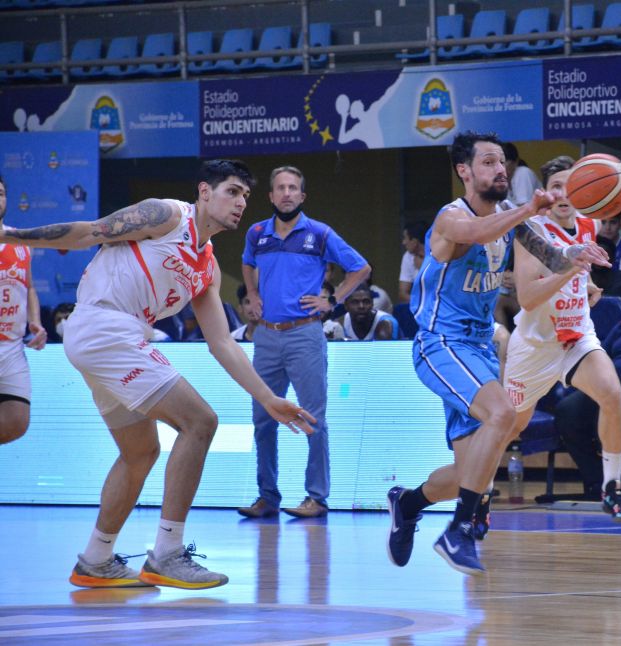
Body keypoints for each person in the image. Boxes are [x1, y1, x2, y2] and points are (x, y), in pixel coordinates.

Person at [0, 159, 315, 589]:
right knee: (200, 422)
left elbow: (222, 344)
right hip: (104, 327)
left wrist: (268, 398)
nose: (241, 202)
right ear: (204, 192)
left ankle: (96, 559)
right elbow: (90, 232)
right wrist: (10, 234)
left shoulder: (207, 268)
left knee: (140, 452)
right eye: (232, 191)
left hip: (114, 338)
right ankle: (167, 552)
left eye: (245, 195)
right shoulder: (166, 215)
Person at [385, 131, 609, 576]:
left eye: (502, 162)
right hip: (441, 343)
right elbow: (474, 232)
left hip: (481, 347)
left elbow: (549, 254)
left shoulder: (511, 217)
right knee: (503, 414)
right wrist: (527, 209)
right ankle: (460, 530)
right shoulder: (451, 217)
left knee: (473, 473)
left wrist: (576, 255)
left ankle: (407, 504)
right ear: (464, 171)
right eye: (488, 162)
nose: (500, 169)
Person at [503, 155, 621, 520]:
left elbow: (579, 271)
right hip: (535, 345)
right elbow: (528, 297)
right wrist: (571, 269)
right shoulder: (532, 230)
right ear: (546, 193)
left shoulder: (590, 223)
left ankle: (612, 488)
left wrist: (587, 283)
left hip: (576, 335)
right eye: (556, 186)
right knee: (511, 426)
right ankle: (477, 494)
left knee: (612, 394)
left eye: (570, 185)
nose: (564, 194)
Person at [238, 165, 370, 520]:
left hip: (305, 334)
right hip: (266, 335)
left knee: (313, 418)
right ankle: (267, 497)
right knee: (263, 418)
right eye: (280, 188)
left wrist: (333, 300)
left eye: (293, 188)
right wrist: (252, 293)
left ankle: (317, 498)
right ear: (270, 196)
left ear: (302, 195)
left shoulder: (319, 233)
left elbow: (360, 267)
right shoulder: (256, 233)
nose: (286, 193)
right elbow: (247, 263)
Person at [555, 269, 621, 497]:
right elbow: (601, 353)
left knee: (607, 407)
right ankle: (598, 482)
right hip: (612, 382)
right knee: (567, 410)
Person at [0, 174, 47, 445]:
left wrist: (35, 322)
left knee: (16, 423)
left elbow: (28, 288)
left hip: (12, 347)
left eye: (1, 193)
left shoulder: (20, 241)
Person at [502, 142, 542, 206]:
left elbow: (523, 206)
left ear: (515, 162)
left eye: (503, 162)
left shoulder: (523, 172)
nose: (500, 166)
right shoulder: (501, 180)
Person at [398, 220, 428, 303]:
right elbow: (403, 294)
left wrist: (423, 269)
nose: (403, 242)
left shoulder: (439, 255)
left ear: (414, 242)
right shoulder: (408, 256)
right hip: (419, 306)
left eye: (405, 238)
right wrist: (421, 305)